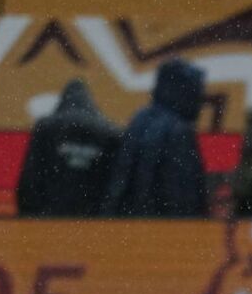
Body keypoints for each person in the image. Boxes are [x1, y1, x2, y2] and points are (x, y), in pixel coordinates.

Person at [101, 58, 209, 217]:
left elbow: (119, 183)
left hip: (130, 223)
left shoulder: (140, 120)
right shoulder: (179, 130)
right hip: (166, 226)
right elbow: (183, 194)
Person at [16, 79, 120, 217]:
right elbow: (116, 181)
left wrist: (28, 211)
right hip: (91, 218)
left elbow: (30, 176)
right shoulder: (110, 132)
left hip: (50, 215)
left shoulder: (46, 127)